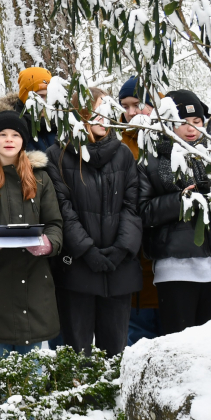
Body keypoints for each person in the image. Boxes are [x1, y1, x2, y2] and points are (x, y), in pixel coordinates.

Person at [45, 88, 142, 356]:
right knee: (79, 357)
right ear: (80, 113)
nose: (103, 118)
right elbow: (61, 208)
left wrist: (121, 248)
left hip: (118, 266)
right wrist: (87, 250)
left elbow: (132, 205)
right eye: (95, 112)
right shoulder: (58, 155)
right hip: (77, 268)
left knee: (116, 356)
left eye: (107, 111)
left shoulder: (124, 154)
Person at [0, 111, 64, 355]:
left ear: (23, 141)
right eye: (2, 134)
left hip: (35, 285)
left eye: (15, 135)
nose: (9, 139)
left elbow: (55, 224)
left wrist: (48, 244)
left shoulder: (41, 179)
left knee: (33, 370)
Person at [138, 90, 211, 335]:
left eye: (197, 122)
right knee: (180, 346)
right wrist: (182, 200)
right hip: (175, 267)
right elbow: (143, 212)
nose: (191, 129)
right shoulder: (151, 160)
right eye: (183, 122)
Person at [118, 76, 161, 345]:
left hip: (169, 248)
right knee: (139, 329)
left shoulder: (175, 137)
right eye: (126, 106)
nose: (132, 112)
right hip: (135, 248)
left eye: (138, 104)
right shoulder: (120, 142)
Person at [0, 67, 58, 153]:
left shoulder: (63, 125)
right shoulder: (8, 125)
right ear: (26, 98)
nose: (45, 102)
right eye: (40, 96)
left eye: (49, 96)